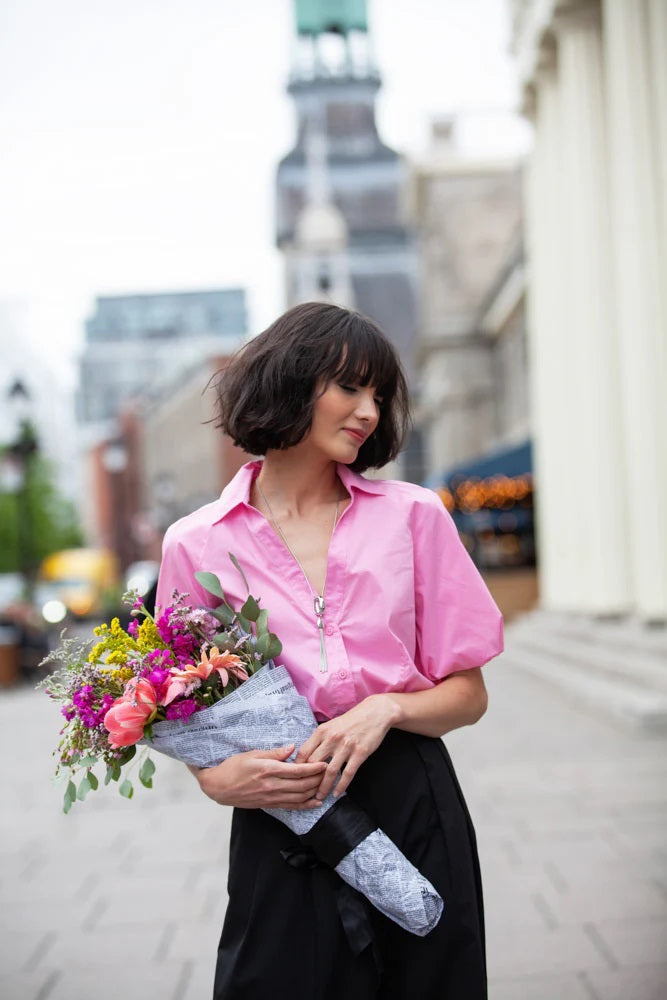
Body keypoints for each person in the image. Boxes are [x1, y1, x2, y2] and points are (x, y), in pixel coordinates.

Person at [155, 302, 503, 1000]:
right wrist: (215, 781)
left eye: (380, 393)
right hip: (281, 810)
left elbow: (469, 695)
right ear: (288, 381)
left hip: (410, 799)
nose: (369, 411)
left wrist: (386, 709)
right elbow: (185, 710)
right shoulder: (195, 543)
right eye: (349, 387)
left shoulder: (413, 516)